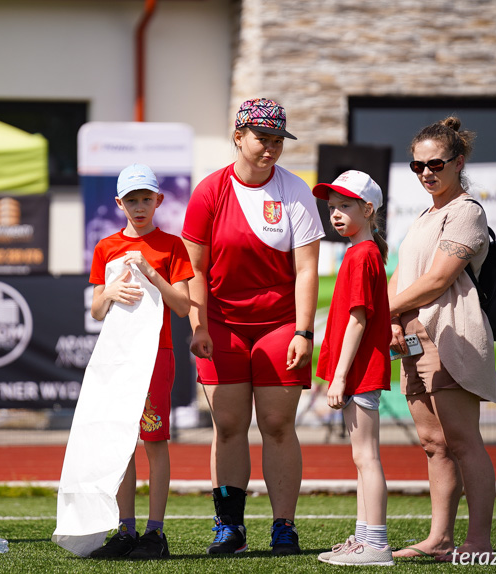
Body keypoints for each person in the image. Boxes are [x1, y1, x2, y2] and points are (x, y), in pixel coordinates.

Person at [182, 98, 323, 556]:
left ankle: (284, 526)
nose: (272, 148)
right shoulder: (209, 191)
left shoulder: (296, 191)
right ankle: (230, 527)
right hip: (221, 323)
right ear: (238, 137)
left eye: (278, 140)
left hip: (280, 323)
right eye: (263, 138)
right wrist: (198, 323)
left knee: (278, 424)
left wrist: (304, 331)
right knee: (228, 425)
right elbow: (194, 270)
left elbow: (306, 270)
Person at [388, 117, 496, 561]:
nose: (426, 173)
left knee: (462, 441)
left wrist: (390, 310)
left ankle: (478, 543)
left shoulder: (467, 210)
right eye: (417, 166)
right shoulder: (426, 214)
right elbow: (401, 275)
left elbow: (437, 280)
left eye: (435, 164)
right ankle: (439, 539)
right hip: (415, 339)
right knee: (434, 444)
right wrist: (393, 320)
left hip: (450, 336)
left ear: (458, 162)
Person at [87, 164, 193, 560]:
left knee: (155, 442)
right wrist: (110, 291)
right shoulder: (106, 247)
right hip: (118, 356)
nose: (139, 206)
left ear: (159, 200)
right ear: (119, 203)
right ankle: (126, 530)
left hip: (156, 355)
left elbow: (182, 306)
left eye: (146, 198)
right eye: (131, 199)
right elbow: (97, 311)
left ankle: (156, 533)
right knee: (121, 446)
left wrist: (152, 273)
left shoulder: (172, 246)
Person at [311, 171, 393, 566]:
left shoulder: (362, 255)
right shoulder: (360, 253)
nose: (336, 214)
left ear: (368, 209)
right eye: (332, 208)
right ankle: (364, 539)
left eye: (345, 206)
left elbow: (357, 320)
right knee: (362, 457)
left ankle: (375, 543)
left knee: (367, 457)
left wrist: (340, 375)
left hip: (359, 372)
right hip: (357, 371)